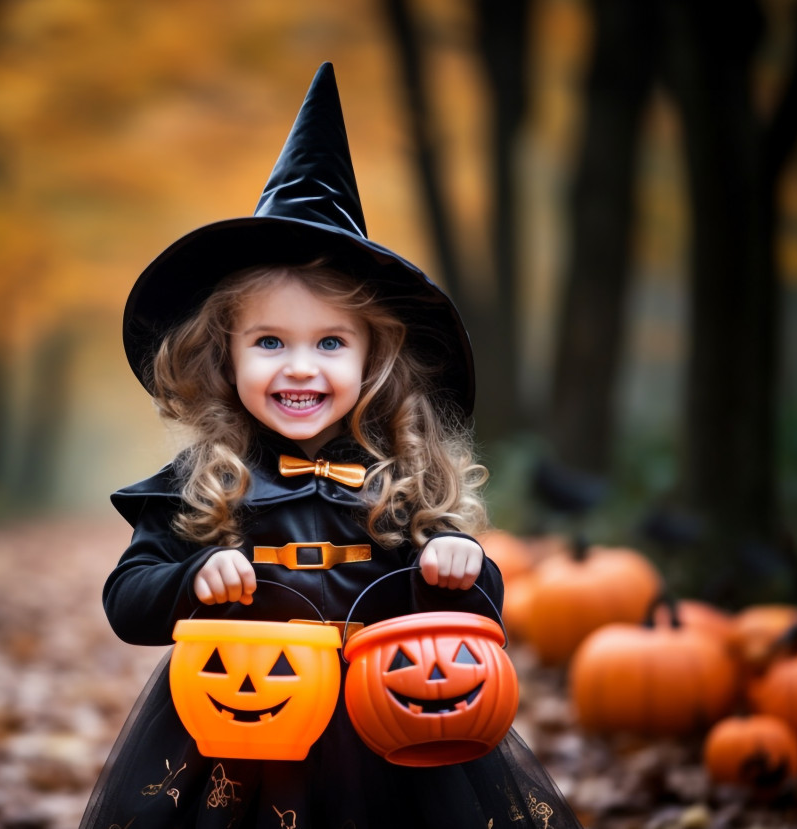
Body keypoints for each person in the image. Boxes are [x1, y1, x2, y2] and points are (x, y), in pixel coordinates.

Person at [80, 63, 581, 829]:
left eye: (330, 342)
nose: (300, 367)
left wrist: (460, 565)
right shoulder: (204, 479)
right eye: (270, 341)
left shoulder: (403, 479)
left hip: (392, 731)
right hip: (243, 728)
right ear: (225, 355)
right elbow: (127, 599)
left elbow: (483, 617)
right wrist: (191, 578)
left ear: (374, 357)